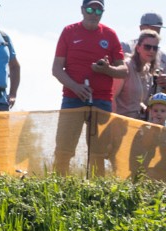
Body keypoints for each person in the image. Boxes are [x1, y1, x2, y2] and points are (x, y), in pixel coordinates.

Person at [51, 0, 126, 174]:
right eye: (90, 9)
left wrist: (107, 69)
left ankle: (96, 189)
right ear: (82, 10)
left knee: (98, 153)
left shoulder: (110, 34)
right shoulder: (69, 31)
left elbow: (123, 71)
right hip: (72, 98)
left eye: (99, 11)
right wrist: (75, 87)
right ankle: (58, 185)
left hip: (101, 100)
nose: (94, 14)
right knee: (63, 150)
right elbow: (56, 69)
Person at [113, 29, 162, 119]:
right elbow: (112, 97)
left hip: (136, 122)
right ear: (138, 48)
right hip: (119, 121)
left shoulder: (148, 71)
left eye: (155, 48)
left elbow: (137, 100)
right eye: (147, 47)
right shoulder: (126, 67)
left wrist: (143, 107)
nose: (151, 51)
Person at [121, 12, 166, 77]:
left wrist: (163, 83)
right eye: (152, 28)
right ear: (141, 28)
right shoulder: (126, 47)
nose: (154, 32)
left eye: (158, 29)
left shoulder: (164, 58)